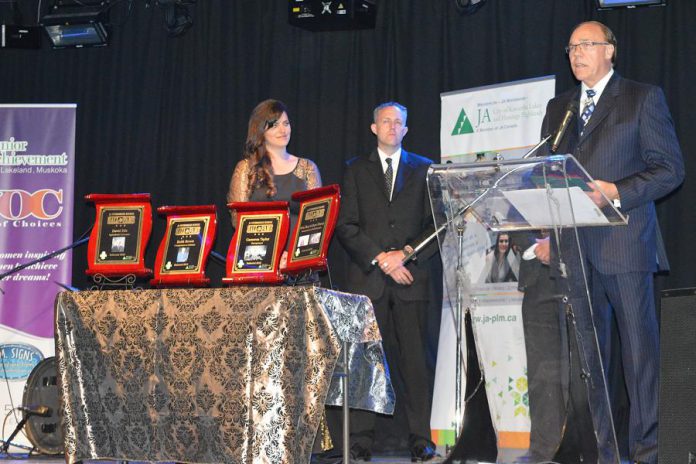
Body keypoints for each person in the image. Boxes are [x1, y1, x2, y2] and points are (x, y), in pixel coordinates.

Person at [538, 21, 684, 464]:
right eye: (571, 47)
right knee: (592, 363)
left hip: (624, 245)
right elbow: (549, 173)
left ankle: (648, 454)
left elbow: (670, 170)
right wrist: (546, 227)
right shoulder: (559, 107)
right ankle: (606, 453)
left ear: (610, 51)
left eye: (586, 45)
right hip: (574, 251)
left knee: (640, 359)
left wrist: (615, 190)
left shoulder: (641, 98)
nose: (576, 53)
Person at [335, 102, 439, 462]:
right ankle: (361, 438)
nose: (393, 127)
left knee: (415, 361)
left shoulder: (425, 169)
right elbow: (345, 226)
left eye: (399, 122)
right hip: (369, 280)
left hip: (412, 277)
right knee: (366, 360)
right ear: (373, 127)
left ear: (406, 130)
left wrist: (405, 254)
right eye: (386, 121)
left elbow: (435, 226)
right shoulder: (355, 170)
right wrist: (382, 259)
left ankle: (420, 437)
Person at [227, 99, 322, 265]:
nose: (283, 130)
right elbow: (238, 220)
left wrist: (293, 255)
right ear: (261, 130)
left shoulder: (308, 168)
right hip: (258, 262)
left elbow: (317, 220)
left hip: (298, 262)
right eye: (274, 125)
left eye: (286, 123)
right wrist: (274, 254)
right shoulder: (245, 169)